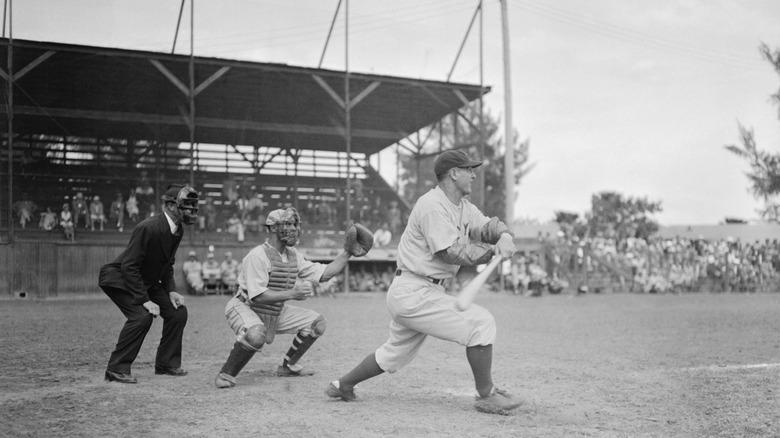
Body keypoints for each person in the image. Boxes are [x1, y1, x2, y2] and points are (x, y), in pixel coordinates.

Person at [325, 149, 524, 415]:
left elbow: (485, 226)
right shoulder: (431, 205)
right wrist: (491, 252)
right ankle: (486, 395)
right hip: (413, 289)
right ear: (454, 174)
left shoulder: (463, 207)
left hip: (420, 290)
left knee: (393, 353)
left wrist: (503, 235)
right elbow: (449, 251)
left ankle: (343, 385)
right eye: (468, 170)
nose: (474, 175)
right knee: (481, 322)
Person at [214, 207, 367, 389]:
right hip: (244, 306)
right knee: (256, 335)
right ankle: (226, 374)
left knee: (317, 323)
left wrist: (347, 253)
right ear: (271, 228)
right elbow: (257, 297)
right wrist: (292, 294)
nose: (293, 228)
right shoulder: (257, 256)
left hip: (275, 309)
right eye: (287, 224)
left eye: (294, 224)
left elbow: (324, 274)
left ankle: (288, 366)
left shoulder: (293, 255)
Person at [98, 184, 199, 384]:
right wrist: (144, 300)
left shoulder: (177, 230)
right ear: (170, 206)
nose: (190, 210)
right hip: (120, 278)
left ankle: (166, 363)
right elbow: (129, 266)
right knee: (141, 317)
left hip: (147, 281)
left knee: (177, 312)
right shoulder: (148, 227)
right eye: (186, 205)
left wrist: (171, 291)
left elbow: (167, 263)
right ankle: (116, 369)